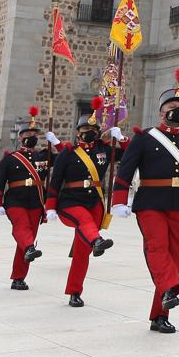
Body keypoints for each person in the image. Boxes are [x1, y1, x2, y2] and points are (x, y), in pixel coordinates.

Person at [111, 68, 179, 334]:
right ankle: (171, 288)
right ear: (162, 111)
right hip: (150, 202)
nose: (178, 111)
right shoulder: (145, 137)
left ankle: (159, 315)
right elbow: (126, 168)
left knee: (174, 259)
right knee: (158, 249)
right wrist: (119, 198)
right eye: (173, 106)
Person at [44, 99, 120, 307]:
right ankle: (97, 240)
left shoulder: (104, 150)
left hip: (95, 201)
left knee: (81, 252)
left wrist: (120, 138)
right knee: (84, 221)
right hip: (70, 201)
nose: (89, 132)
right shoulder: (68, 152)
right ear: (78, 132)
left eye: (93, 129)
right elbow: (56, 180)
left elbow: (130, 155)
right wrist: (50, 206)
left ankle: (75, 291)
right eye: (86, 128)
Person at [0, 108, 49, 290]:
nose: (32, 136)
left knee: (26, 242)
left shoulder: (43, 156)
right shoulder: (10, 159)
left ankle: (18, 277)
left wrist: (55, 142)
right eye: (28, 133)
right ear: (20, 137)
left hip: (35, 201)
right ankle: (30, 249)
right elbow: (0, 180)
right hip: (15, 200)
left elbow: (66, 158)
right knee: (21, 228)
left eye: (35, 134)